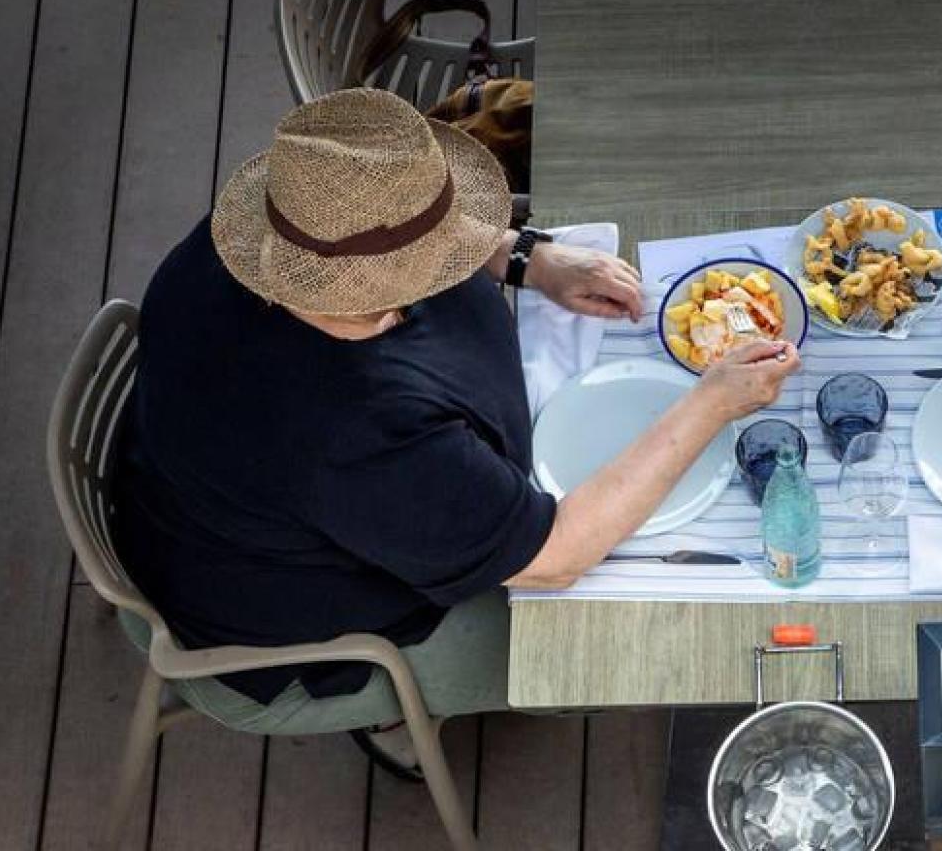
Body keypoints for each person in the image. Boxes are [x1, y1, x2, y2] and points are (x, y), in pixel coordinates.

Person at [111, 88, 798, 776]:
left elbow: (392, 235)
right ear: (381, 291)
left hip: (187, 497)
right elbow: (556, 555)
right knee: (608, 655)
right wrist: (710, 405)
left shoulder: (272, 235)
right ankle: (396, 711)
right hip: (287, 616)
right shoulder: (352, 433)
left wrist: (526, 257)